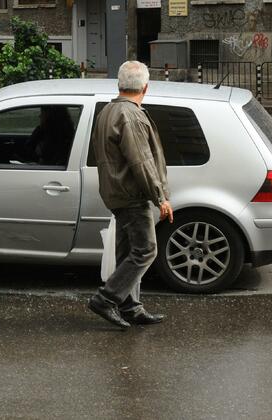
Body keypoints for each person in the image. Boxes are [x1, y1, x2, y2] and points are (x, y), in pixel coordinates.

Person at [88, 61, 173, 330]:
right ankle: (106, 298)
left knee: (128, 252)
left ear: (119, 84)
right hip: (131, 194)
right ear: (146, 87)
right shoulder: (131, 116)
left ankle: (131, 307)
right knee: (146, 250)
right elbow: (142, 162)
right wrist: (160, 197)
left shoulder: (108, 110)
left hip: (115, 192)